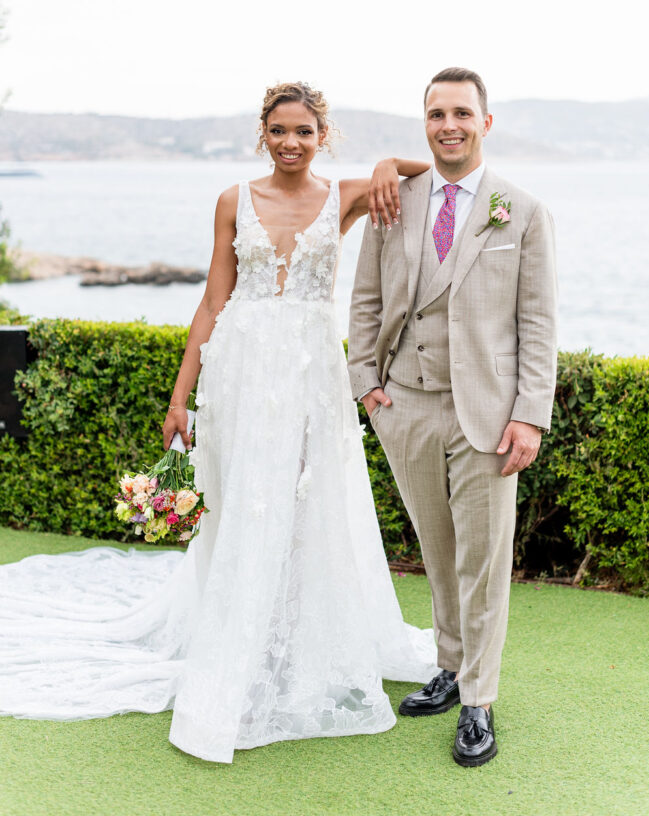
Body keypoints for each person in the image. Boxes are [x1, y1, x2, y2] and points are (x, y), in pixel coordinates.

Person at [0, 81, 438, 764]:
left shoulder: (347, 195)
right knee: (244, 502)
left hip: (311, 374)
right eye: (278, 130)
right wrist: (179, 399)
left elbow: (432, 169)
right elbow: (212, 301)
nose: (290, 142)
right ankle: (240, 637)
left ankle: (299, 639)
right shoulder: (234, 200)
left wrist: (387, 163)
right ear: (262, 133)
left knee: (309, 500)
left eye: (304, 131)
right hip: (238, 369)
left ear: (322, 136)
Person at [347, 66, 558, 767]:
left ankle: (478, 700)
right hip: (404, 406)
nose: (450, 125)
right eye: (437, 114)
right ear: (425, 123)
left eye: (462, 113)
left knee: (484, 560)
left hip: (488, 417)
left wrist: (529, 415)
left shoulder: (522, 211)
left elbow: (538, 325)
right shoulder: (395, 201)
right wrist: (366, 385)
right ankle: (448, 664)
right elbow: (366, 300)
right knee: (437, 550)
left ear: (485, 122)